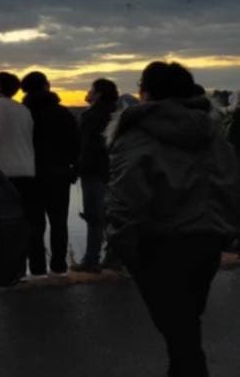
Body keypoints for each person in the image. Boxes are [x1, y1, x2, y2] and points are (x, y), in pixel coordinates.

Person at [106, 61, 240, 377]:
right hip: (206, 242)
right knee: (185, 327)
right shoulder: (212, 132)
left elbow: (126, 197)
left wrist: (122, 247)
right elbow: (231, 183)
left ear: (146, 92)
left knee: (180, 336)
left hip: (158, 246)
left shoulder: (136, 135)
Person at [20, 71, 80, 276]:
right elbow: (75, 144)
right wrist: (73, 169)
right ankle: (59, 267)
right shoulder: (63, 113)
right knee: (59, 223)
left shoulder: (23, 113)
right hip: (59, 174)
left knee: (34, 224)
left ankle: (37, 269)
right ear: (47, 86)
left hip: (30, 175)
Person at [0, 71, 38, 276]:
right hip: (27, 170)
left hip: (4, 172)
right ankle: (24, 269)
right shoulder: (23, 109)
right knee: (23, 223)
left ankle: (7, 270)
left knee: (3, 225)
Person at [73, 78, 118, 273]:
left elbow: (86, 148)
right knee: (112, 216)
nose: (88, 92)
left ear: (98, 94)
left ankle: (91, 260)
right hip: (114, 170)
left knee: (94, 217)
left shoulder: (90, 116)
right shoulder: (117, 115)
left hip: (93, 171)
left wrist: (77, 167)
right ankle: (114, 258)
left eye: (91, 89)